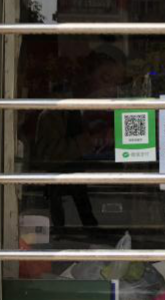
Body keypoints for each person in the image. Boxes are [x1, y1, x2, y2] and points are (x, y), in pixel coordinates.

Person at [33, 45, 127, 228]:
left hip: (114, 205)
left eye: (119, 83)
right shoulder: (56, 113)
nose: (112, 89)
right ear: (87, 75)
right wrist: (91, 140)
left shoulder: (118, 114)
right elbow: (44, 158)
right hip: (69, 214)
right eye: (106, 79)